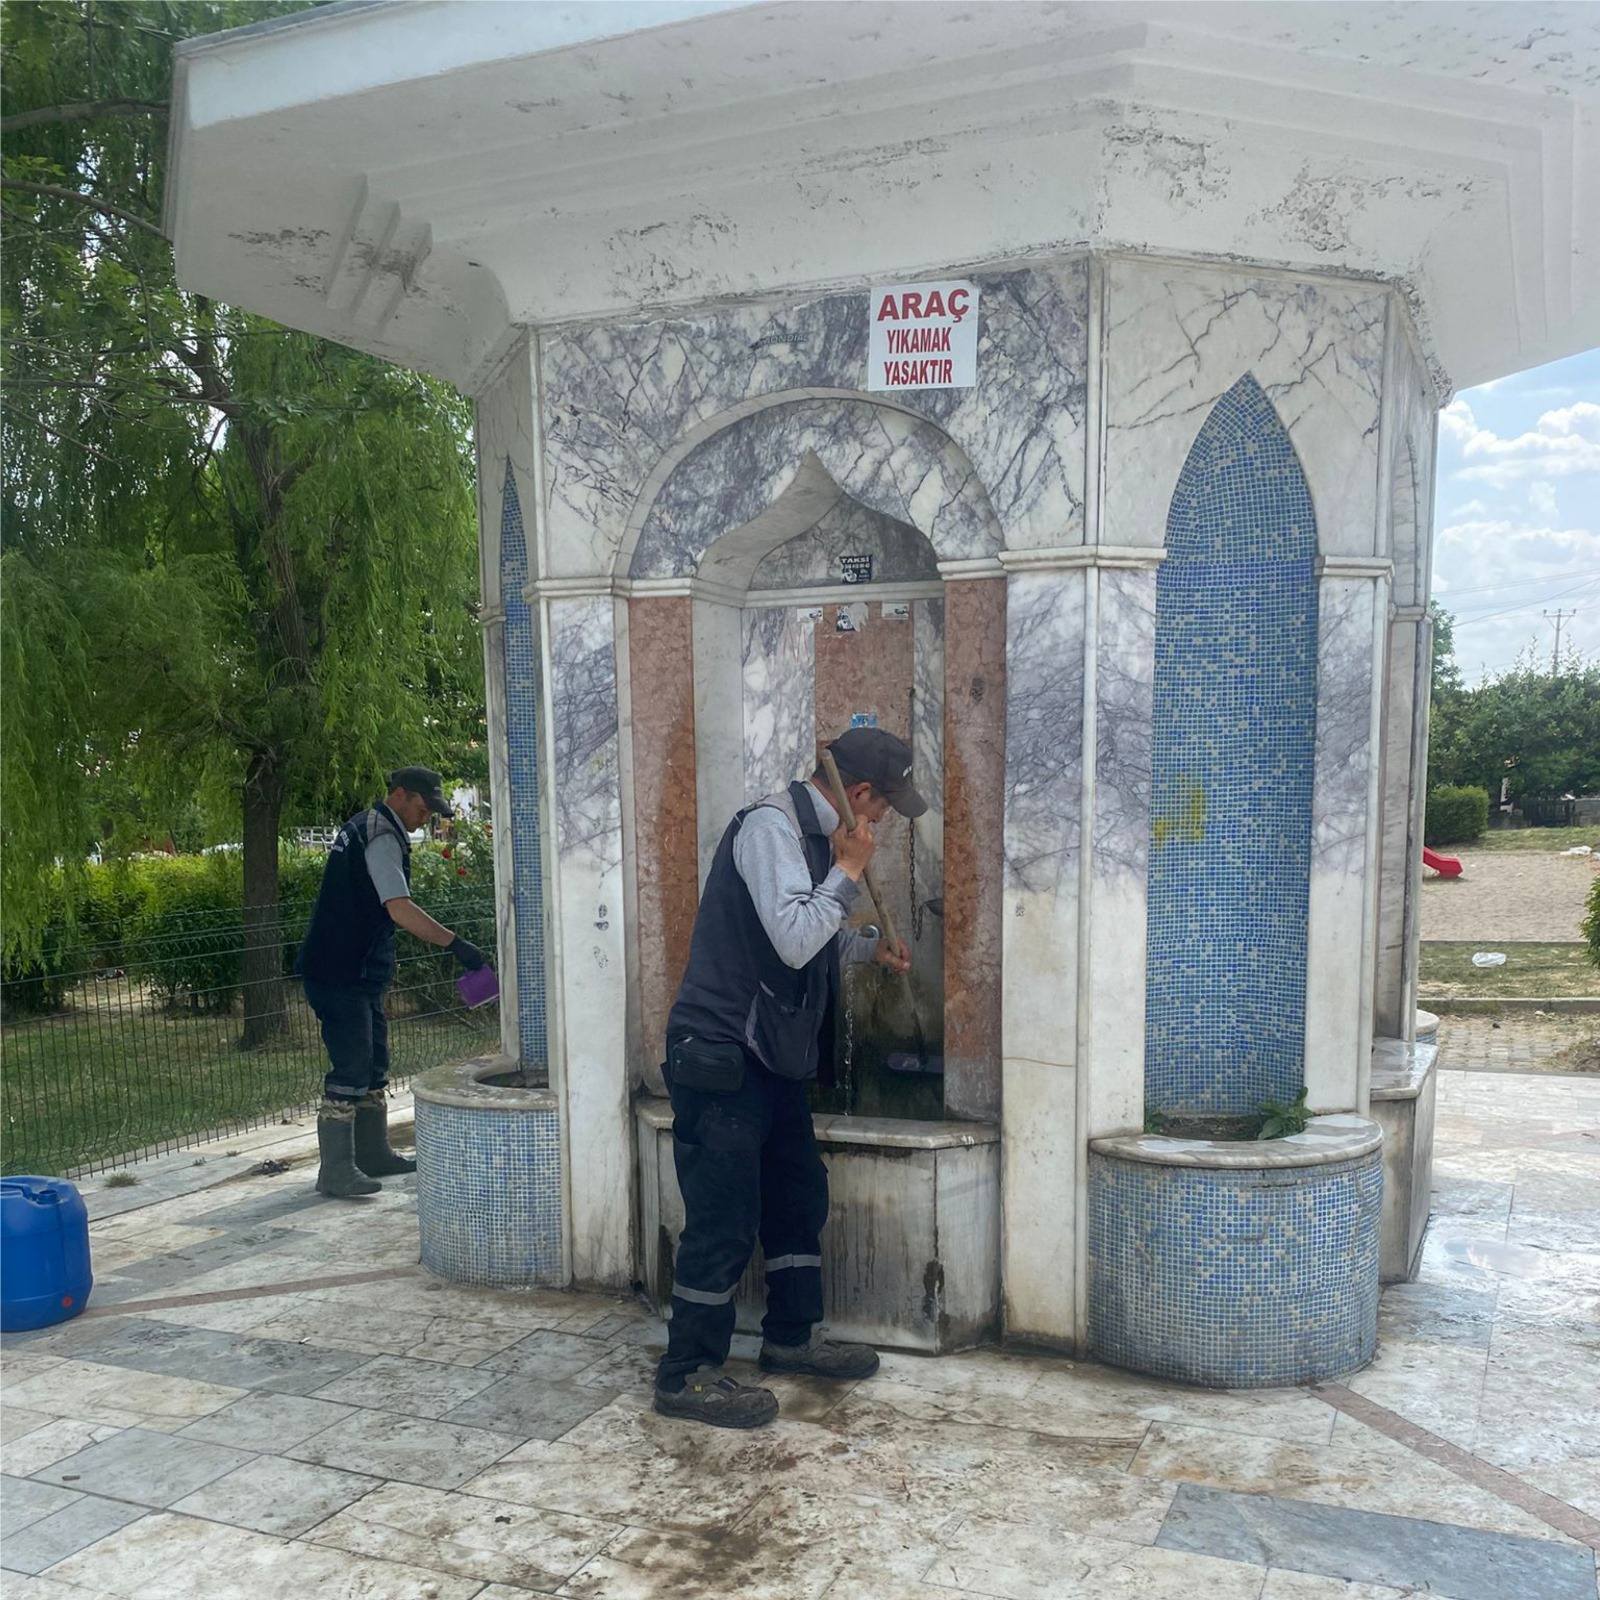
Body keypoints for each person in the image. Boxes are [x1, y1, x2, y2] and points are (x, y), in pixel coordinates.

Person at [654, 727, 922, 1428]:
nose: (884, 819)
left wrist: (865, 947)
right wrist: (850, 872)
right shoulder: (769, 829)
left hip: (769, 1057)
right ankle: (686, 1374)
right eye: (885, 805)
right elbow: (796, 938)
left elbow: (806, 938)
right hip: (721, 1054)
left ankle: (792, 1338)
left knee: (798, 1196)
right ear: (858, 794)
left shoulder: (818, 839)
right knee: (724, 1217)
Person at [297, 766, 487, 1198]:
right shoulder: (381, 835)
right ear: (399, 794)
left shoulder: (368, 826)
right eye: (423, 807)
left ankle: (372, 1153)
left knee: (374, 1062)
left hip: (357, 971)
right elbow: (398, 908)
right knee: (352, 1066)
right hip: (340, 971)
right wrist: (456, 944)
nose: (427, 816)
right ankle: (335, 1170)